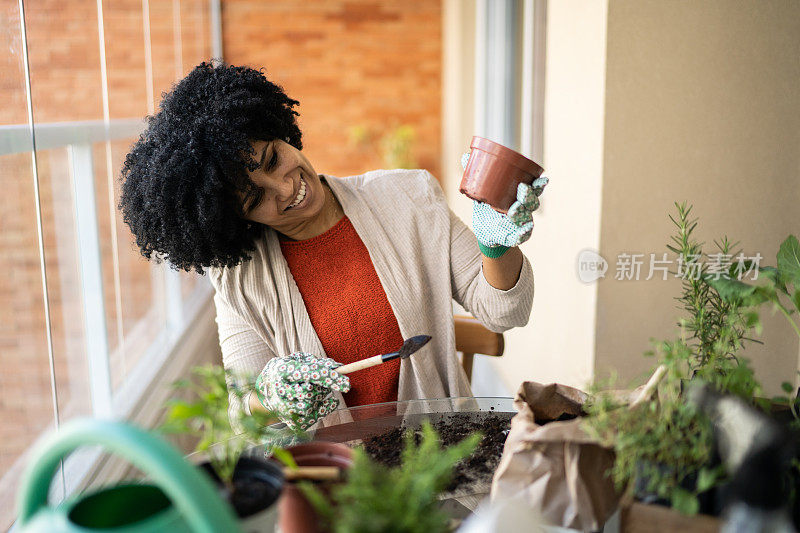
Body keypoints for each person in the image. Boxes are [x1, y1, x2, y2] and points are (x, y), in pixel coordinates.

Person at [119, 62, 544, 430]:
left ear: (279, 130)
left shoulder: (408, 197)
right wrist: (272, 398)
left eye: (271, 159)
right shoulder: (241, 279)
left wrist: (493, 246)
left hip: (444, 467)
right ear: (237, 219)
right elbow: (245, 416)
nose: (285, 188)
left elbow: (505, 310)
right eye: (256, 199)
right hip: (334, 484)